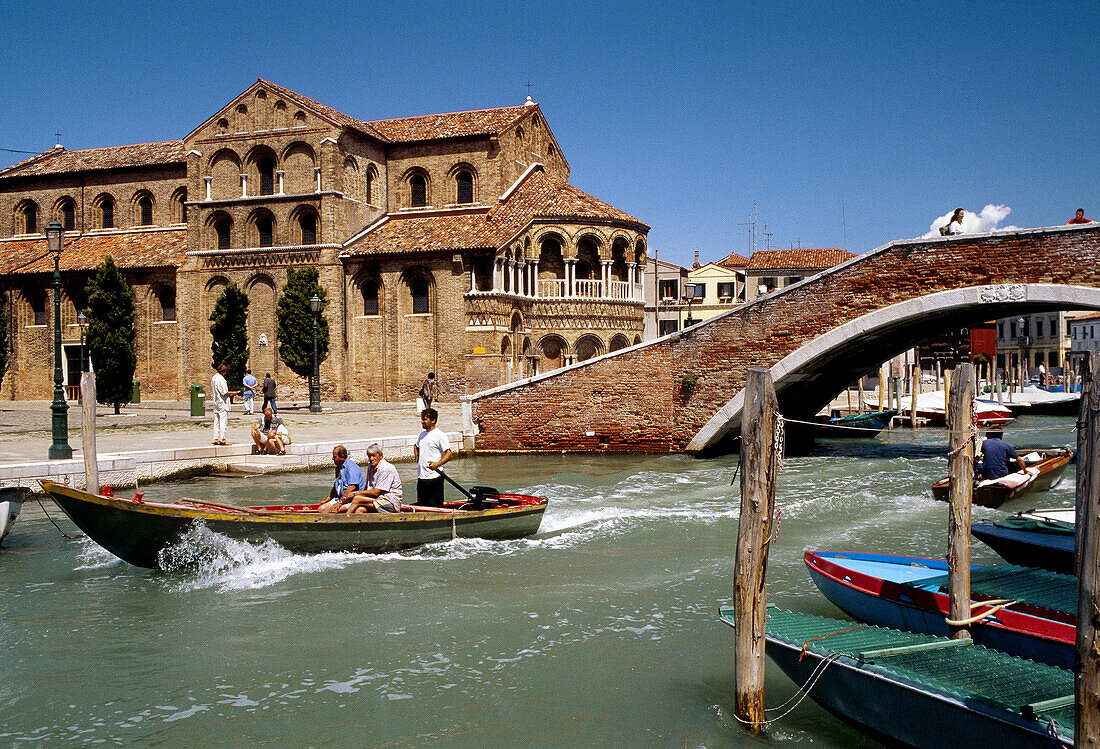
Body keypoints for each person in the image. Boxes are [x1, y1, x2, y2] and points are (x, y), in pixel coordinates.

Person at [346, 444, 403, 514]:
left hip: (390, 503)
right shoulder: (370, 466)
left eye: (373, 456)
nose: (371, 458)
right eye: (369, 456)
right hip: (377, 500)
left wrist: (355, 493)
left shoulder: (386, 468)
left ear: (381, 456)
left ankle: (345, 520)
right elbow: (368, 488)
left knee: (357, 499)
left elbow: (376, 492)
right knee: (359, 510)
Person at [414, 408, 453, 507]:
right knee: (422, 504)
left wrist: (437, 464)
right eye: (422, 419)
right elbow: (416, 446)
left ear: (433, 420)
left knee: (435, 505)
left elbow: (449, 453)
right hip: (422, 477)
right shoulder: (422, 435)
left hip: (435, 478)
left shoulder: (440, 435)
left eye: (424, 419)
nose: (422, 421)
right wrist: (418, 459)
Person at [319, 445, 363, 514]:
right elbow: (335, 487)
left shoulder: (351, 467)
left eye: (334, 456)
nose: (333, 458)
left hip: (351, 501)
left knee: (330, 510)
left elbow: (352, 487)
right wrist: (326, 500)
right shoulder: (338, 468)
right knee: (322, 509)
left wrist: (340, 502)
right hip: (339, 498)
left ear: (342, 456)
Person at [210, 363, 238, 446]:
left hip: (216, 402)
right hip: (222, 402)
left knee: (216, 420)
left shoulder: (214, 378)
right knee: (222, 421)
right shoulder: (220, 379)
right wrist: (233, 392)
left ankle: (216, 438)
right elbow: (224, 392)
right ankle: (223, 438)